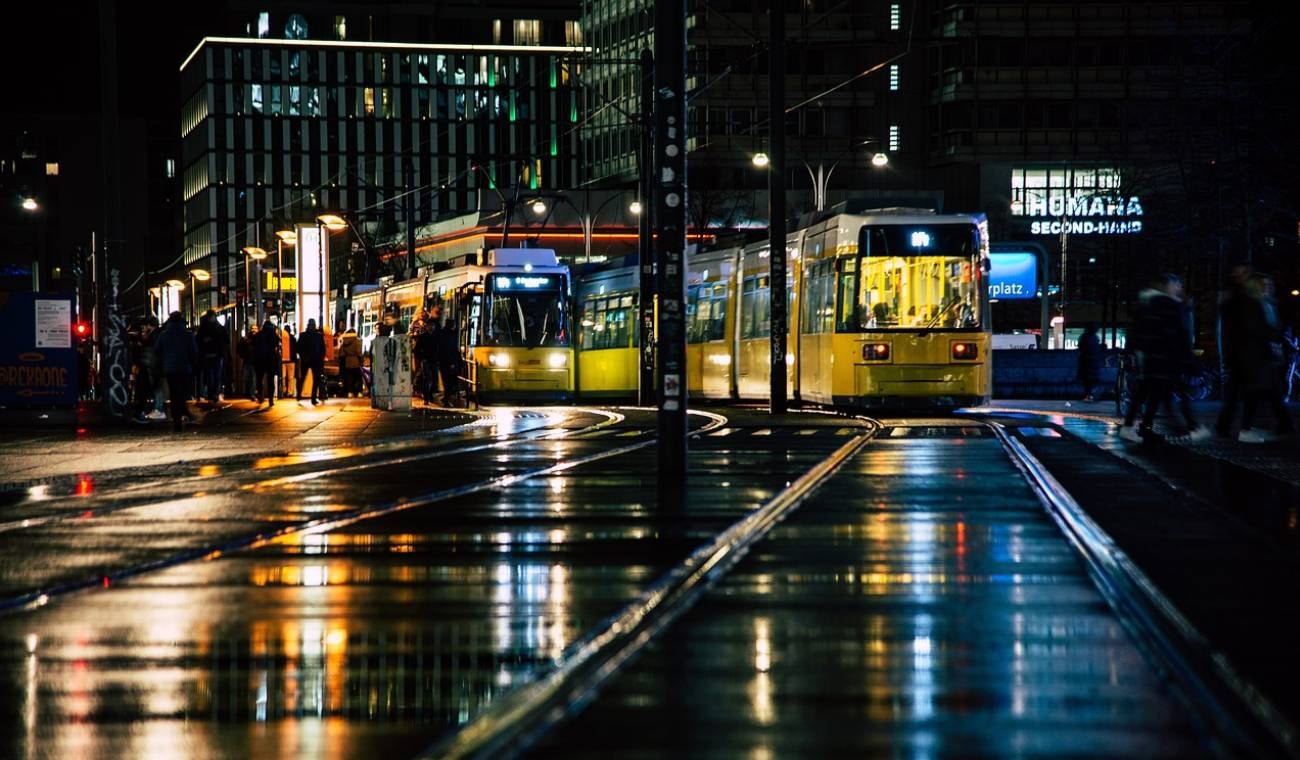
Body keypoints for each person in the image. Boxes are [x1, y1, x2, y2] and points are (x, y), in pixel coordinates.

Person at [1118, 274, 1209, 443]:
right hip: (1166, 358)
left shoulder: (1148, 303)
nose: (1179, 288)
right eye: (1177, 284)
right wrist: (1187, 358)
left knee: (1150, 392)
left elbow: (1139, 331)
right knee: (1174, 392)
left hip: (1152, 357)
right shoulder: (1168, 304)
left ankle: (1138, 426)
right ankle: (1192, 427)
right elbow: (1178, 334)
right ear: (1169, 285)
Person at [154, 311, 197, 432]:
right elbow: (194, 352)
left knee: (174, 393)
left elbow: (157, 350)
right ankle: (183, 412)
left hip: (170, 368)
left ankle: (176, 417)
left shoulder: (164, 335)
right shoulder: (188, 335)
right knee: (182, 393)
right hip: (184, 368)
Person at [196, 310, 229, 406]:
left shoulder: (203, 328)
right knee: (214, 376)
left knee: (212, 376)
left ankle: (213, 394)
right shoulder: (219, 328)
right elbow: (225, 341)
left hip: (210, 355)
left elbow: (198, 341)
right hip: (215, 355)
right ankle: (214, 394)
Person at [431, 303, 461, 405]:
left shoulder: (442, 333)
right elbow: (452, 349)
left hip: (442, 361)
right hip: (449, 362)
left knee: (446, 380)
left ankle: (446, 397)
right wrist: (454, 362)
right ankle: (447, 398)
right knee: (450, 381)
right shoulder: (451, 335)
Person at [296, 318, 327, 405]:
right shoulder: (319, 336)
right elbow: (323, 349)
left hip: (305, 360)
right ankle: (313, 398)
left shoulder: (303, 335)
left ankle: (299, 395)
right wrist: (321, 358)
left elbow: (298, 348)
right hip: (316, 360)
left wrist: (303, 356)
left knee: (302, 378)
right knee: (316, 379)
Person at [252, 319, 282, 408]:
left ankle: (260, 396)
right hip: (270, 359)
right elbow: (278, 343)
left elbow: (254, 344)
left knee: (259, 379)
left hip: (260, 360)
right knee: (270, 380)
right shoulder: (273, 334)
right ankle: (271, 399)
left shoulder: (259, 334)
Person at [1076, 322, 1104, 402]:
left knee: (1087, 381)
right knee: (1090, 380)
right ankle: (1090, 395)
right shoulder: (1094, 338)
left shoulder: (1085, 337)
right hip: (1091, 362)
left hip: (1087, 362)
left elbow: (1081, 347)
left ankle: (1088, 395)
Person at [337, 323, 363, 398]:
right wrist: (361, 360)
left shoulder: (344, 342)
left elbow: (341, 353)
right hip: (356, 361)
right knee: (358, 377)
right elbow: (359, 352)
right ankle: (359, 392)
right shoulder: (357, 341)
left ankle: (350, 392)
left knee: (349, 378)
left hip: (347, 362)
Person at [236, 327, 256, 398]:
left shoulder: (252, 339)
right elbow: (239, 348)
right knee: (247, 378)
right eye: (253, 329)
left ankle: (251, 393)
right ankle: (249, 393)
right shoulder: (246, 339)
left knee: (252, 378)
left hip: (252, 362)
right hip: (248, 361)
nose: (254, 331)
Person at [281, 322, 298, 399]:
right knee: (291, 377)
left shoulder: (281, 338)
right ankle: (290, 392)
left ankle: (283, 391)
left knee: (283, 377)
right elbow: (296, 349)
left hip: (283, 361)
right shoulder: (293, 338)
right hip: (292, 360)